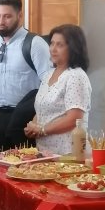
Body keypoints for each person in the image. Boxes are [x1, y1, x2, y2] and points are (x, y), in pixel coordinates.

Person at [0, 0, 51, 151]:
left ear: (19, 15)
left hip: (24, 118)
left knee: (25, 168)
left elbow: (49, 82)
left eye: (7, 16)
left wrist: (37, 117)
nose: (1, 22)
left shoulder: (34, 43)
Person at [24, 24, 91, 154]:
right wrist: (33, 126)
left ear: (73, 48)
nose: (53, 49)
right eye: (52, 44)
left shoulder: (76, 75)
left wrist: (43, 130)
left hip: (69, 153)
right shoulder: (49, 74)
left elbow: (74, 119)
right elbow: (43, 109)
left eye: (59, 45)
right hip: (45, 151)